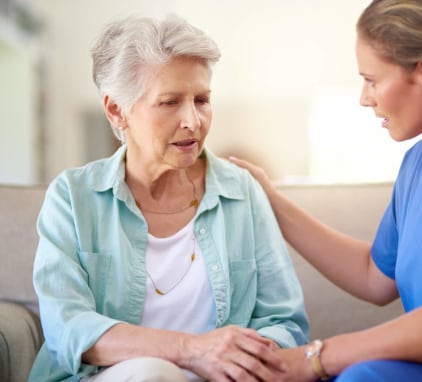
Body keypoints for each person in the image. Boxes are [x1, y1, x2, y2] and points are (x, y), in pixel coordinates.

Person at [28, 14, 309, 382]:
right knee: (151, 373)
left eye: (202, 100)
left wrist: (233, 362)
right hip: (109, 377)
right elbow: (69, 328)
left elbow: (284, 323)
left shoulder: (241, 192)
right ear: (116, 110)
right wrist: (192, 351)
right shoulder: (73, 197)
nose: (192, 120)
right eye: (170, 102)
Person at [230, 0, 422, 380]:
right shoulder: (418, 163)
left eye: (372, 80)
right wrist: (270, 200)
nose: (365, 97)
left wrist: (320, 356)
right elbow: (373, 275)